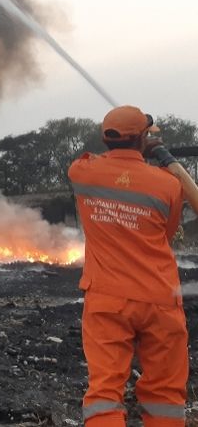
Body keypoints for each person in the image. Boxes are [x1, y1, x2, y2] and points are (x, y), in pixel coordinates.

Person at [68, 105, 198, 427]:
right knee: (166, 395)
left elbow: (97, 161)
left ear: (105, 138)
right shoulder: (167, 185)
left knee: (105, 393)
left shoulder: (82, 172)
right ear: (142, 139)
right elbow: (166, 234)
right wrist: (159, 151)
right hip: (159, 300)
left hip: (107, 300)